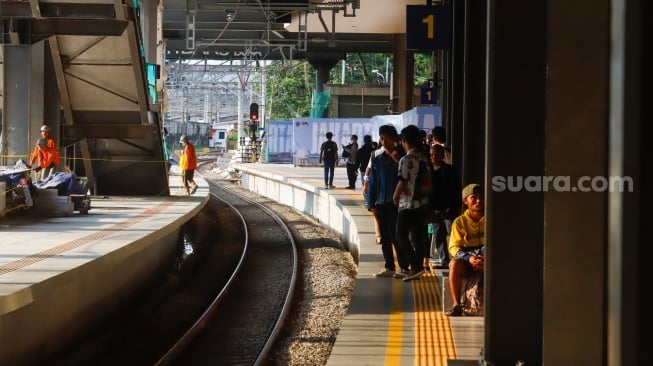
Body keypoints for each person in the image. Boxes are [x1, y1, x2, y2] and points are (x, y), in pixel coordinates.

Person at [365, 125, 409, 278]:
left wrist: (396, 158)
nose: (383, 141)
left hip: (398, 204)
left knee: (396, 235)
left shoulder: (403, 157)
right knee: (385, 237)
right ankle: (389, 266)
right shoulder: (377, 159)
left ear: (394, 139)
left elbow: (407, 177)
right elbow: (373, 183)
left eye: (386, 138)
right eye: (381, 138)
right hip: (381, 203)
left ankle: (404, 267)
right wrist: (371, 204)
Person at [393, 124, 431, 282]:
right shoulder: (424, 156)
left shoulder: (407, 158)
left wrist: (395, 196)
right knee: (417, 235)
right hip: (422, 202)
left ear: (404, 140)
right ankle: (416, 268)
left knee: (400, 234)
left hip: (408, 202)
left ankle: (415, 266)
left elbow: (403, 180)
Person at [444, 183, 485, 316]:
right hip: (468, 261)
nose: (478, 201)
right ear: (465, 201)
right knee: (454, 264)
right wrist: (470, 258)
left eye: (481, 197)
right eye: (474, 198)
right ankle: (456, 305)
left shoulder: (492, 219)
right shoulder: (459, 222)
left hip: (487, 260)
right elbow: (454, 247)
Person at [429, 144, 462, 269]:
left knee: (453, 234)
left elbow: (456, 189)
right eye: (431, 154)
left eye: (436, 154)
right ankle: (444, 260)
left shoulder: (450, 170)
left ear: (443, 155)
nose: (433, 157)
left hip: (449, 208)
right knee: (438, 235)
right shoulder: (429, 170)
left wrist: (456, 205)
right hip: (434, 209)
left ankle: (458, 259)